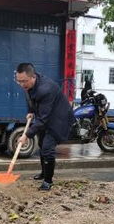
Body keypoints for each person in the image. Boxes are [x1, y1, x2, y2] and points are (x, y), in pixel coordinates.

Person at [16, 63, 75, 191]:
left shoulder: (45, 89)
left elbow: (43, 120)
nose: (21, 85)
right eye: (18, 81)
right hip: (46, 115)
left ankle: (48, 181)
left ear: (32, 77)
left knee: (47, 148)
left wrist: (27, 135)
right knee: (42, 145)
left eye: (24, 81)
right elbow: (31, 98)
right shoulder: (28, 85)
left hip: (59, 119)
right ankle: (44, 173)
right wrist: (31, 110)